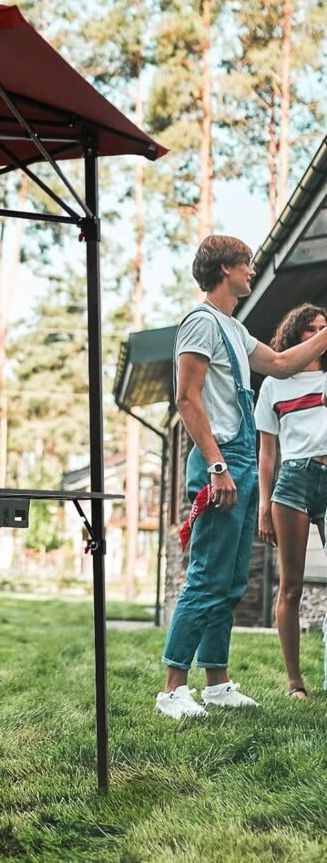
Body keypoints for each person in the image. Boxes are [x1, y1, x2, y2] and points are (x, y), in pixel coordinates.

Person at [156, 235, 327, 719]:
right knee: (207, 576)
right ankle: (172, 688)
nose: (253, 272)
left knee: (232, 582)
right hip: (220, 460)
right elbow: (187, 399)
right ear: (225, 269)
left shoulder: (232, 326)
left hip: (245, 461)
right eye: (247, 264)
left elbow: (280, 362)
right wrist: (216, 466)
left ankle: (217, 682)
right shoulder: (200, 322)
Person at [255, 304, 327, 699]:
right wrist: (264, 505)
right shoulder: (275, 383)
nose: (319, 335)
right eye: (311, 329)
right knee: (291, 587)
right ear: (295, 334)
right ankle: (295, 682)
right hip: (295, 480)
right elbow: (267, 452)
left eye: (324, 329)